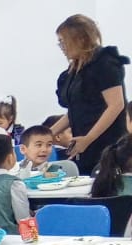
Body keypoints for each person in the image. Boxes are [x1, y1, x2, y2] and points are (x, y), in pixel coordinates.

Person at [54, 14, 129, 175]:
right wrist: (48, 133)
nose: (62, 47)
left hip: (107, 144)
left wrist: (88, 138)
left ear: (80, 39)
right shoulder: (75, 70)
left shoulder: (105, 63)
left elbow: (116, 105)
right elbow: (76, 111)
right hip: (84, 144)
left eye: (64, 41)